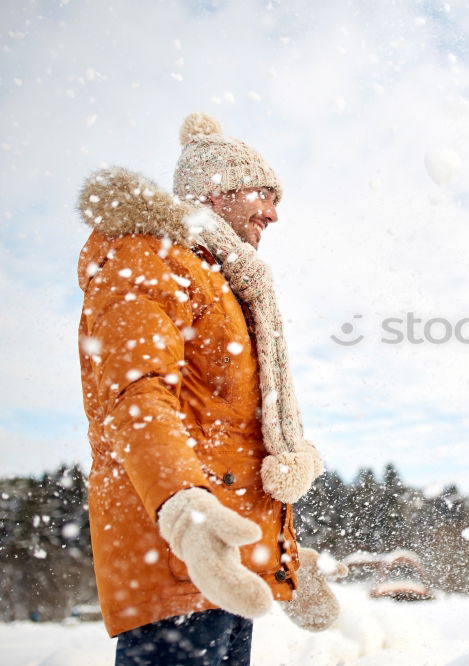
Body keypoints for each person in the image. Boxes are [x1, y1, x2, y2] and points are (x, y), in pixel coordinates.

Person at [76, 113, 342, 665]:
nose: (272, 213)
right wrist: (185, 517)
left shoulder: (220, 281)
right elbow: (137, 397)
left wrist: (284, 557)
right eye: (263, 194)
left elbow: (233, 444)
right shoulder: (147, 257)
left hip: (224, 570)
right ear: (215, 193)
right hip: (177, 559)